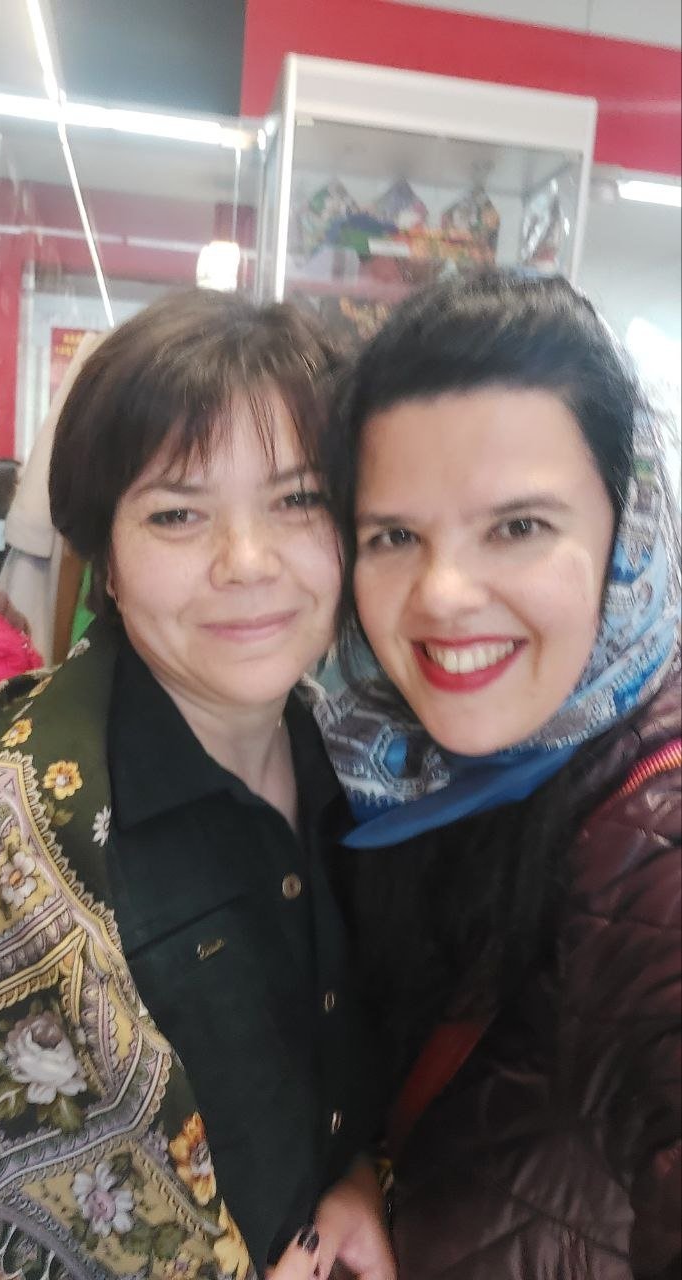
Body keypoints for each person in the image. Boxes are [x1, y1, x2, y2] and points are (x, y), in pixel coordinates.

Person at [0, 290, 395, 1280]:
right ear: (107, 560)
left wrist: (354, 1179)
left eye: (298, 500)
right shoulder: (1, 835)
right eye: (175, 513)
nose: (246, 562)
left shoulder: (363, 764)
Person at [316, 271, 681, 1278]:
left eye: (518, 527)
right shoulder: (393, 764)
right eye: (394, 536)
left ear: (627, 527)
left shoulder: (652, 834)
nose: (441, 594)